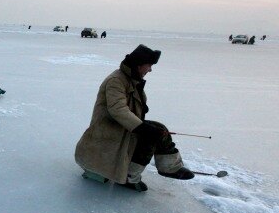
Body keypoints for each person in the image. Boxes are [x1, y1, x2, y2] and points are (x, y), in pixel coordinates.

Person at [74, 44, 194, 192]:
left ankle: (170, 167)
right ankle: (129, 178)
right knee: (149, 136)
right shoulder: (116, 80)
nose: (150, 70)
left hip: (122, 126)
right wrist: (142, 127)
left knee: (159, 129)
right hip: (109, 132)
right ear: (139, 65)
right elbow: (118, 109)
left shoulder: (131, 79)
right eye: (149, 65)